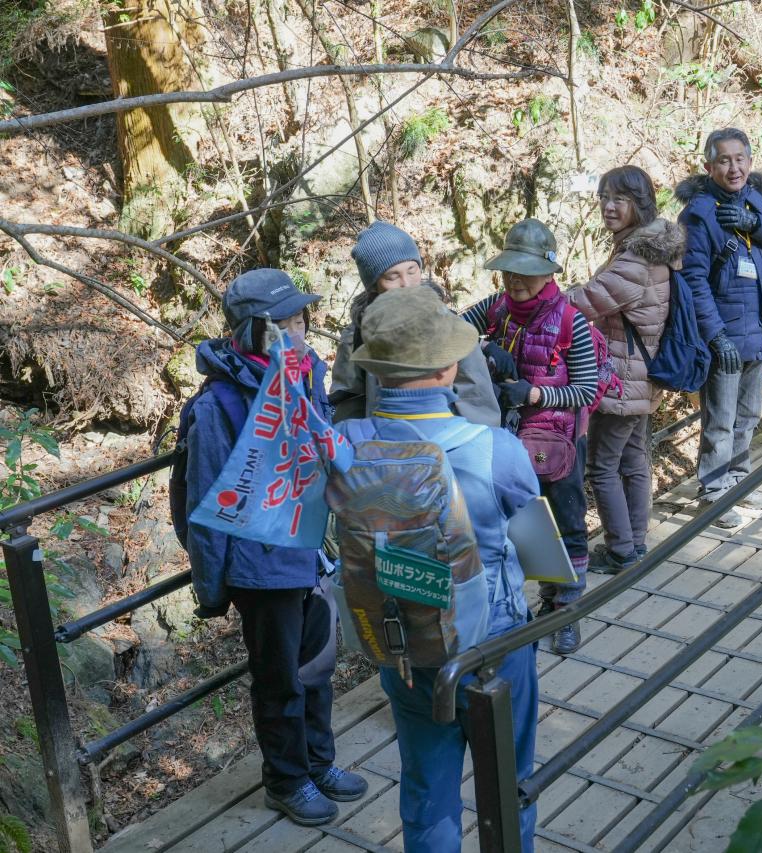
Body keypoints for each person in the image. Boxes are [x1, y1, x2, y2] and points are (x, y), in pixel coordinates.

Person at [335, 286, 540, 853]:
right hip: (493, 639)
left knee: (426, 781)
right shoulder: (496, 448)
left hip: (404, 636)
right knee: (511, 779)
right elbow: (532, 528)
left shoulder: (347, 444)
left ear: (376, 370)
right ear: (451, 366)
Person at [185, 269, 368, 826]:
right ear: (252, 331)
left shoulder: (304, 376)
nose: (299, 329)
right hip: (259, 565)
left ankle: (318, 761)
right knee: (280, 677)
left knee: (317, 664)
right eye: (284, 322)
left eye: (301, 317)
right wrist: (212, 586)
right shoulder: (219, 405)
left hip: (307, 548)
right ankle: (286, 779)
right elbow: (207, 500)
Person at [460, 219, 596, 654]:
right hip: (509, 435)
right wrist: (484, 349)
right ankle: (538, 601)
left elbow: (587, 389)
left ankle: (566, 610)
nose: (515, 279)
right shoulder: (497, 308)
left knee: (568, 523)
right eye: (509, 270)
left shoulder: (569, 321)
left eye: (525, 270)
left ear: (549, 272)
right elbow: (453, 332)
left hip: (559, 439)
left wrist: (535, 392)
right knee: (522, 522)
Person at [676, 127, 762, 528]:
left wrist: (755, 224)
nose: (734, 167)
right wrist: (715, 335)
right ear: (709, 165)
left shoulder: (758, 202)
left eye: (740, 159)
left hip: (758, 327)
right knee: (720, 418)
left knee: (748, 415)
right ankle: (713, 494)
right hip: (725, 333)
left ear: (750, 160)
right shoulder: (698, 215)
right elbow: (693, 280)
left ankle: (737, 480)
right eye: (724, 160)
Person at [565, 166, 680, 574]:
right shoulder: (647, 249)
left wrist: (548, 297)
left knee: (602, 465)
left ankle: (618, 550)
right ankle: (635, 544)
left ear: (640, 204)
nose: (608, 207)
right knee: (633, 460)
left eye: (619, 199)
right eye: (604, 197)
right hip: (640, 376)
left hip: (620, 378)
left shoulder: (635, 261)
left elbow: (584, 303)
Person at [331, 221, 507, 426]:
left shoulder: (446, 326)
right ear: (373, 285)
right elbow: (347, 405)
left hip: (446, 446)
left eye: (412, 270)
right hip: (385, 448)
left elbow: (478, 400)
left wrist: (467, 449)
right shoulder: (358, 335)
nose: (406, 283)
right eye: (392, 276)